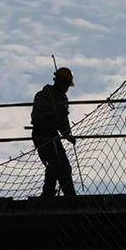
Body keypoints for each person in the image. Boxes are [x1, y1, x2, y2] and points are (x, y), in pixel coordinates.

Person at [31, 67, 77, 197]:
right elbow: (36, 118)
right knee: (54, 163)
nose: (67, 88)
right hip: (41, 134)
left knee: (65, 167)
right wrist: (51, 115)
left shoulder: (63, 99)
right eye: (66, 84)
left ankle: (70, 196)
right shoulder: (42, 96)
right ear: (59, 81)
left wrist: (68, 134)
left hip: (53, 135)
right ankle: (48, 195)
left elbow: (63, 122)